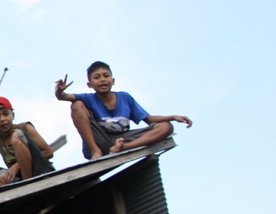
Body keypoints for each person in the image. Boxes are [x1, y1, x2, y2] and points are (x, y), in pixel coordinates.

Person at [55, 61, 192, 160]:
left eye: (106, 76)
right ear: (90, 85)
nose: (102, 80)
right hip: (99, 141)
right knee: (76, 105)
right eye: (97, 77)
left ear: (113, 80)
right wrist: (59, 91)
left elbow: (149, 119)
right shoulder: (89, 98)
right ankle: (96, 151)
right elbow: (63, 97)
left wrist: (173, 117)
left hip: (123, 140)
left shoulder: (125, 97)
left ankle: (125, 147)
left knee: (166, 126)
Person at [0, 77, 55, 187]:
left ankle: (27, 184)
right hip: (17, 177)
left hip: (40, 171)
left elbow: (48, 152)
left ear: (13, 115)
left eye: (6, 114)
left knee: (16, 135)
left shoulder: (25, 128)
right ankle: (16, 186)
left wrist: (17, 166)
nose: (2, 119)